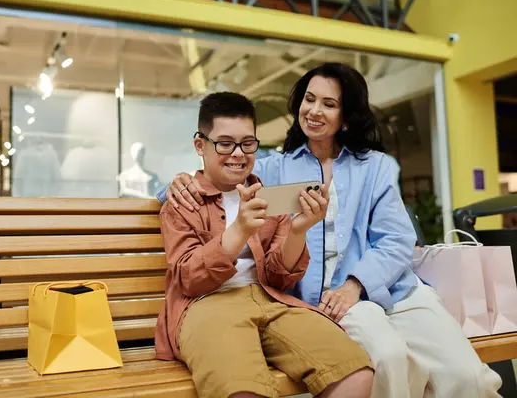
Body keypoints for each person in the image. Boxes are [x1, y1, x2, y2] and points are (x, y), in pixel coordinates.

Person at [157, 63, 502, 398]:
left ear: (346, 116)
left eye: (329, 103)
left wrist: (356, 284)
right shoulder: (275, 168)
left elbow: (397, 239)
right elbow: (221, 173)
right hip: (329, 302)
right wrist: (177, 182)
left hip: (394, 290)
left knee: (468, 376)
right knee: (389, 360)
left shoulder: (376, 167)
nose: (314, 110)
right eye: (309, 99)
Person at [155, 91, 374, 398]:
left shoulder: (268, 196)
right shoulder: (183, 201)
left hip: (271, 300)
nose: (238, 154)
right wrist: (238, 232)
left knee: (354, 373)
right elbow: (189, 280)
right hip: (205, 306)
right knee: (243, 389)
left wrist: (298, 230)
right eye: (225, 143)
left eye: (247, 143)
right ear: (200, 146)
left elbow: (278, 278)